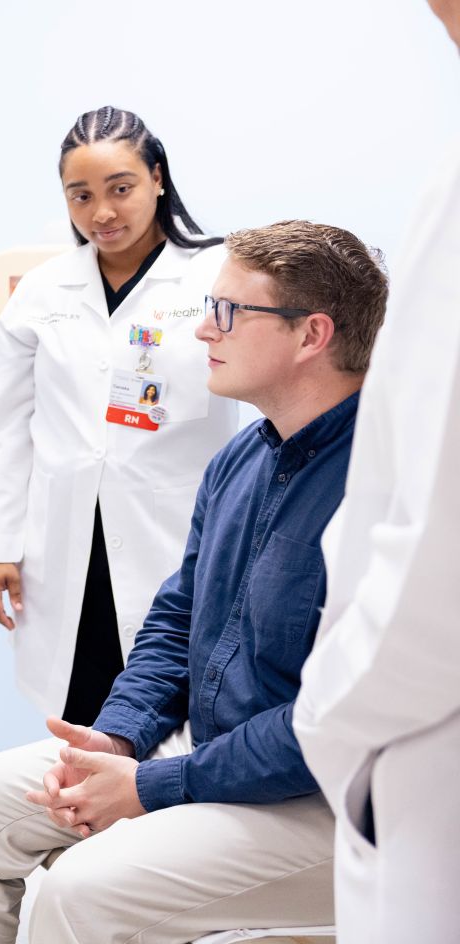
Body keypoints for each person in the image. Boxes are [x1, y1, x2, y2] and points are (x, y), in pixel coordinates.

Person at [0, 220, 388, 943]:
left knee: (81, 892)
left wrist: (149, 788)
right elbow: (174, 622)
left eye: (227, 312)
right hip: (206, 752)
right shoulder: (240, 462)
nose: (202, 331)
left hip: (327, 797)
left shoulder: (383, 490)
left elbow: (333, 725)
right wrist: (118, 742)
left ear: (310, 335)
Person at [0, 106, 239, 724]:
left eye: (121, 188)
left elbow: (263, 405)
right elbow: (6, 428)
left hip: (175, 534)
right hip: (67, 545)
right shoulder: (42, 291)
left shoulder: (217, 275)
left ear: (158, 179)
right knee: (83, 710)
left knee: (175, 712)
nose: (103, 213)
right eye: (81, 195)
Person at [293, 5, 460, 941]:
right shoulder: (246, 460)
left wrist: (336, 718)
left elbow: (436, 563)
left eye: (229, 313)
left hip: (415, 734)